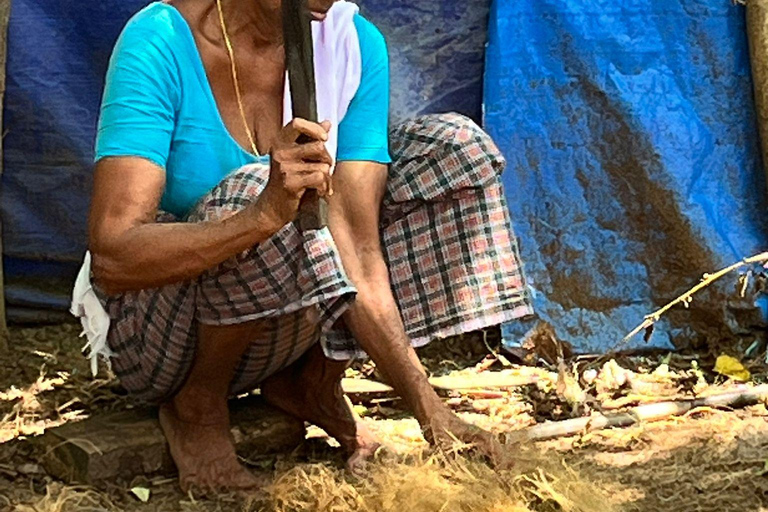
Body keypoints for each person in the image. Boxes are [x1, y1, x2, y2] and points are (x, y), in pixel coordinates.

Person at [81, 0, 532, 492]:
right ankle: (198, 405)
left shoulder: (349, 44)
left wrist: (431, 413)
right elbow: (114, 258)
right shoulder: (162, 38)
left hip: (286, 331)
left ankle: (310, 384)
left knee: (452, 150)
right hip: (162, 337)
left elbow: (358, 248)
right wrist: (260, 216)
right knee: (263, 188)